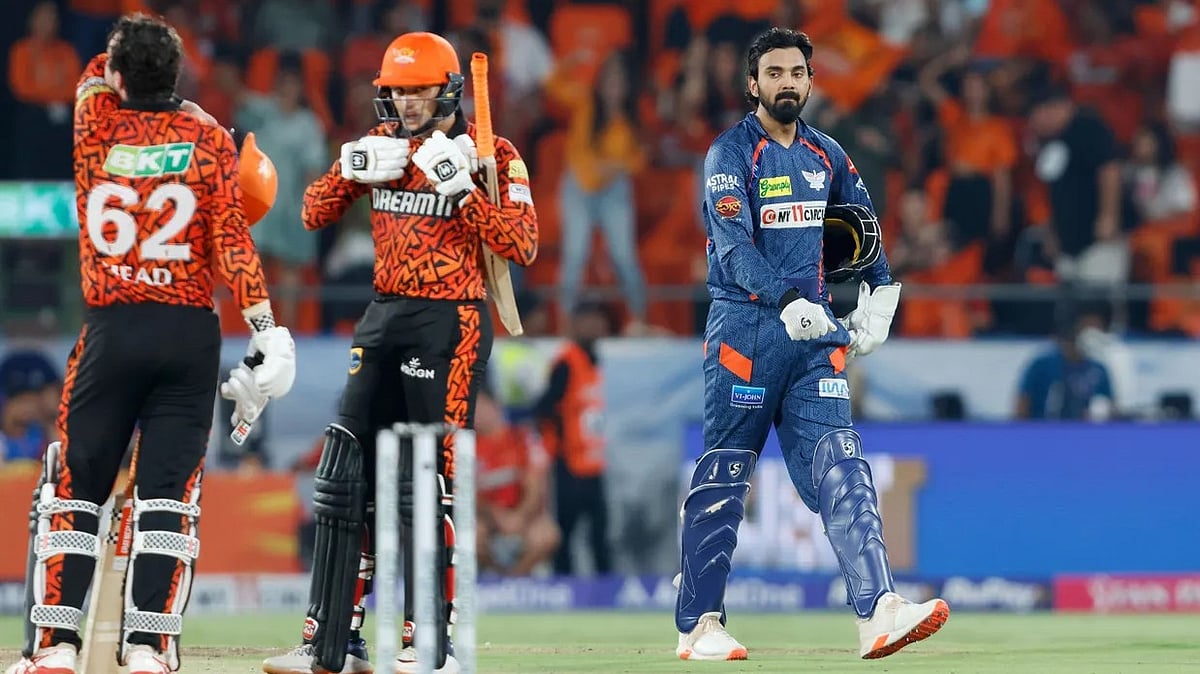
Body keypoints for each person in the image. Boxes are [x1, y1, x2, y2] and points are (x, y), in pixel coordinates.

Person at [5, 13, 294, 674]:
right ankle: (148, 651)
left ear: (114, 75)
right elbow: (232, 243)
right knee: (167, 499)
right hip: (188, 333)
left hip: (113, 327)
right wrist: (265, 326)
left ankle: (55, 649)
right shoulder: (207, 137)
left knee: (78, 493)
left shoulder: (91, 124)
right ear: (178, 77)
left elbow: (92, 78)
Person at [261, 31, 538, 674]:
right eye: (396, 91)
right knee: (345, 473)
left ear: (447, 91)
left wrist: (465, 191)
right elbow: (309, 213)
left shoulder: (493, 153)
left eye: (418, 91)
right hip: (383, 314)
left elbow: (521, 245)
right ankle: (329, 643)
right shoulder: (380, 147)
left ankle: (430, 644)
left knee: (431, 483)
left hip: (453, 320)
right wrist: (348, 169)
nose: (406, 103)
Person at [675, 28, 949, 662]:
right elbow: (735, 248)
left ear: (810, 80)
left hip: (815, 337)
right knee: (726, 475)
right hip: (745, 330)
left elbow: (864, 227)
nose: (787, 83)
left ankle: (879, 610)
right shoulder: (729, 154)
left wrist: (881, 295)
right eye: (774, 73)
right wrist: (786, 299)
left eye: (796, 72)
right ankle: (699, 625)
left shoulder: (829, 155)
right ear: (753, 84)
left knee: (843, 464)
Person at [534, 302, 612, 576]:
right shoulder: (567, 362)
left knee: (600, 533)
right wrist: (557, 448)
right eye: (588, 320)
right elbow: (544, 408)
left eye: (598, 321)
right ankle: (563, 589)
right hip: (570, 464)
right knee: (565, 533)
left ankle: (606, 593)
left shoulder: (593, 360)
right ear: (575, 324)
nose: (595, 327)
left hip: (593, 464)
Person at [474, 389, 559, 577]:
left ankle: (515, 580)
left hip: (523, 517)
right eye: (473, 408)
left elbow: (536, 486)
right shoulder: (467, 446)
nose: (478, 413)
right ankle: (495, 577)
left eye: (482, 407)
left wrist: (519, 517)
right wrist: (495, 514)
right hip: (489, 519)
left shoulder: (523, 438)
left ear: (496, 407)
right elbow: (467, 493)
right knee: (468, 536)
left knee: (546, 535)